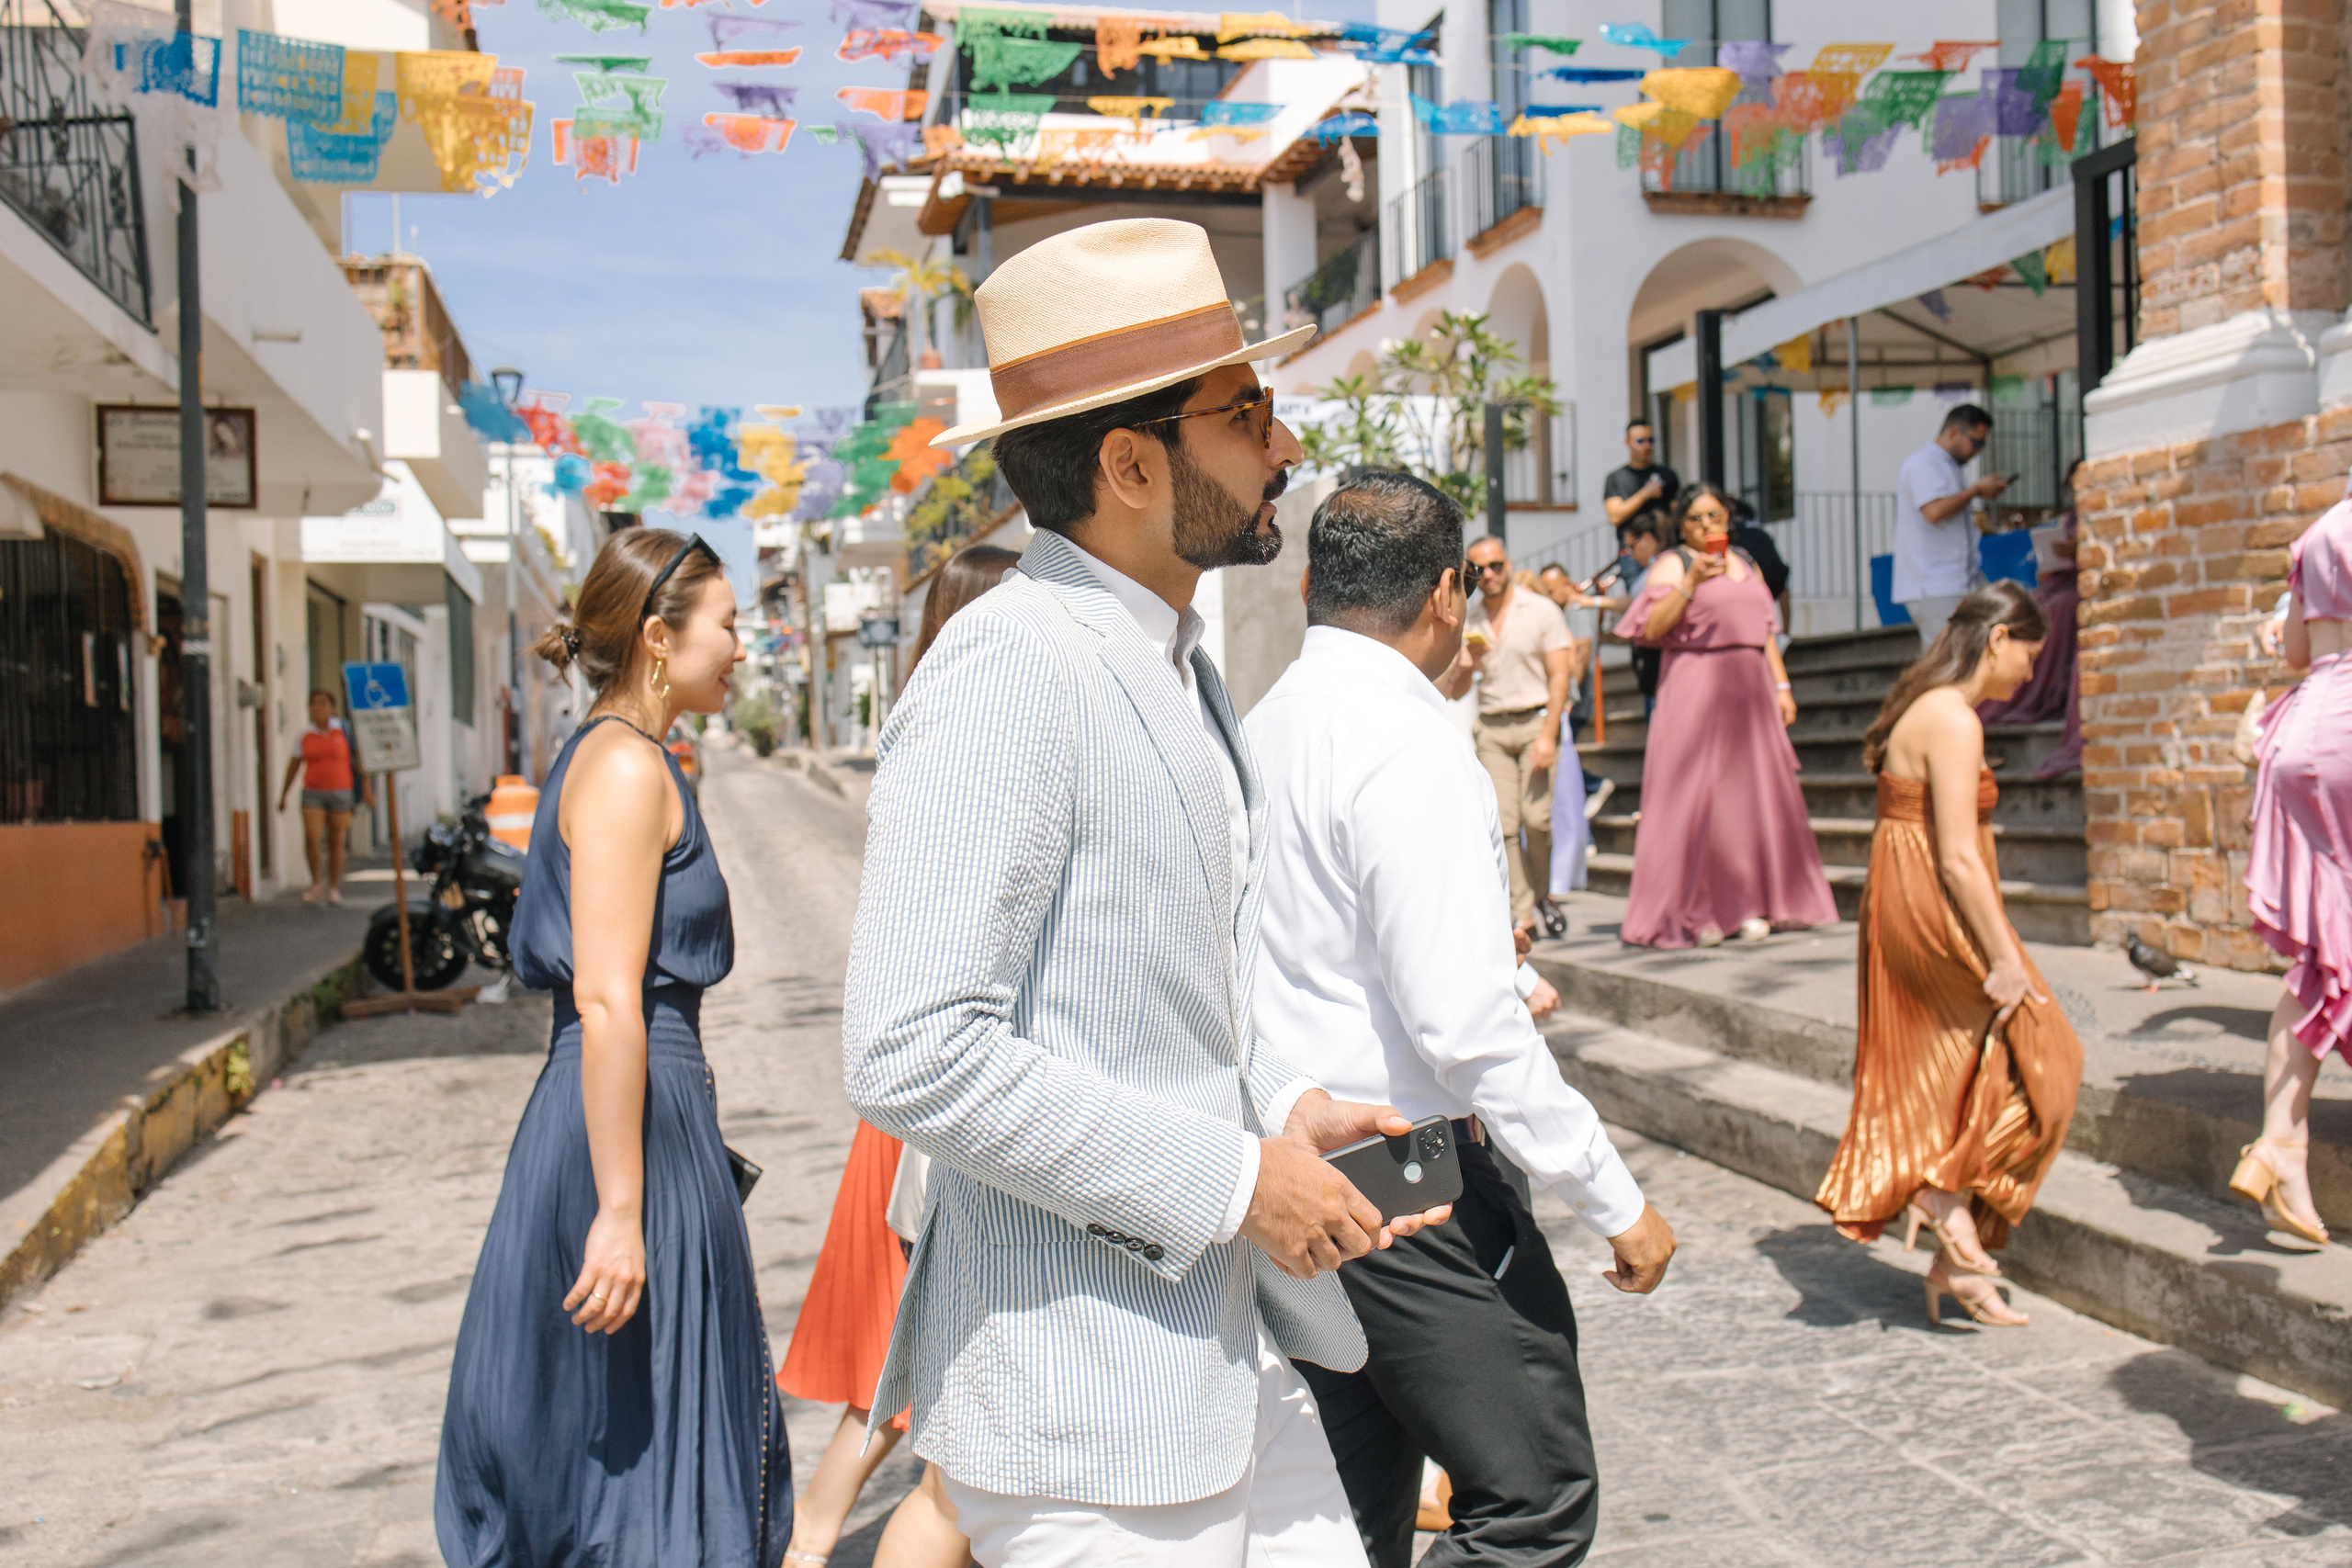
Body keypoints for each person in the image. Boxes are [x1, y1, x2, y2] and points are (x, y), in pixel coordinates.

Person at [841, 218, 1450, 1568]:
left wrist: (1286, 1104)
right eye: (1246, 413)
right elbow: (909, 1048)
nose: (1285, 446)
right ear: (1128, 463)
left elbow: (1172, 991)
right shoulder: (1010, 664)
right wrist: (1238, 1179)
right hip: (1084, 1402)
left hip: (1221, 1362)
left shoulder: (1178, 661)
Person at [1250, 471, 1677, 1567]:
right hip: (1411, 1174)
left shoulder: (1262, 726)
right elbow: (1465, 1028)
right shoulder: (1405, 737)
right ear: (1447, 593)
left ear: (1311, 585)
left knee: (1352, 1511)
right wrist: (1610, 1195)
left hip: (1299, 1161)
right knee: (1530, 1500)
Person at [435, 528, 794, 1563]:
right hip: (625, 1125)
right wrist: (623, 1211)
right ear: (655, 638)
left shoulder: (612, 755)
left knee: (626, 1441)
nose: (741, 646)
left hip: (636, 1113)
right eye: (726, 624)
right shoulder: (630, 769)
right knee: (647, 1446)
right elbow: (605, 997)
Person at [777, 545, 1018, 1568]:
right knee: (905, 1356)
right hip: (945, 1087)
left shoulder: (927, 724)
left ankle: (811, 1538)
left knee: (903, 1358)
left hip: (918, 1083)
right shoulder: (975, 734)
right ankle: (812, 1540)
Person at [1815, 582, 2082, 1325]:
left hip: (1907, 895)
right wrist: (2006, 959)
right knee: (2049, 1055)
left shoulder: (1927, 704)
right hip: (1933, 901)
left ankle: (1952, 1255)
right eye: (2031, 652)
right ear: (1999, 639)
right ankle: (1941, 1196)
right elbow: (1960, 857)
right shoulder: (1953, 719)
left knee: (1974, 1069)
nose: (2032, 672)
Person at [1613, 484, 1835, 948]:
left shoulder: (1746, 561)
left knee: (1750, 799)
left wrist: (1782, 684)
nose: (1706, 525)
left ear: (1727, 518)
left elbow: (1767, 629)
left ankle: (1752, 904)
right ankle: (1699, 911)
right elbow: (1651, 629)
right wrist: (1690, 583)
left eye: (1713, 515)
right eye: (1695, 518)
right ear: (1682, 525)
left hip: (1750, 683)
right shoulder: (1673, 563)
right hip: (1696, 682)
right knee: (1699, 800)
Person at [2236, 497, 2352, 1247]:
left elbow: (2295, 654)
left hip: (2305, 725)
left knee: (2324, 950)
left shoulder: (2323, 528)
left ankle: (2280, 1139)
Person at [1440, 535, 1574, 939]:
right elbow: (1457, 690)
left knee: (1537, 820)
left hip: (1536, 721)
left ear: (1509, 564)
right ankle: (1523, 911)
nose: (1490, 575)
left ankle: (1543, 893)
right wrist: (1468, 664)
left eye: (1497, 565)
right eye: (1480, 569)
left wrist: (1550, 733)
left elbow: (1561, 676)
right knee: (1505, 823)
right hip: (1494, 727)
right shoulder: (1471, 617)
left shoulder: (1542, 610)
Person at [1977, 459, 2086, 778]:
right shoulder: (2067, 521)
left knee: (2060, 608)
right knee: (2031, 604)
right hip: (2060, 580)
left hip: (2079, 588)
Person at [1894, 404, 2010, 645]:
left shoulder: (1948, 466)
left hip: (1959, 579)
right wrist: (1976, 490)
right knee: (1951, 656)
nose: (1977, 451)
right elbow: (1934, 512)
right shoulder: (1923, 464)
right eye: (1976, 443)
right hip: (1934, 585)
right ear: (1954, 432)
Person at [275, 689, 374, 905]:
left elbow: (361, 762)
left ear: (332, 708)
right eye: (314, 704)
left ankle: (333, 887)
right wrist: (284, 795)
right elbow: (293, 766)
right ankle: (315, 882)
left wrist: (366, 790)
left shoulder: (344, 731)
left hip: (341, 791)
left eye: (322, 703)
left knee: (336, 840)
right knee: (312, 837)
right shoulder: (304, 735)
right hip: (313, 792)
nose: (318, 708)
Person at [1600, 418, 1679, 528]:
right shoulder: (1616, 478)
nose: (1646, 446)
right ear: (1627, 442)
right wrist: (1646, 493)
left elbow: (1677, 513)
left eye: (1650, 440)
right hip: (1631, 543)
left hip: (1664, 542)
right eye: (1640, 441)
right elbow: (1614, 517)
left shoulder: (1667, 474)